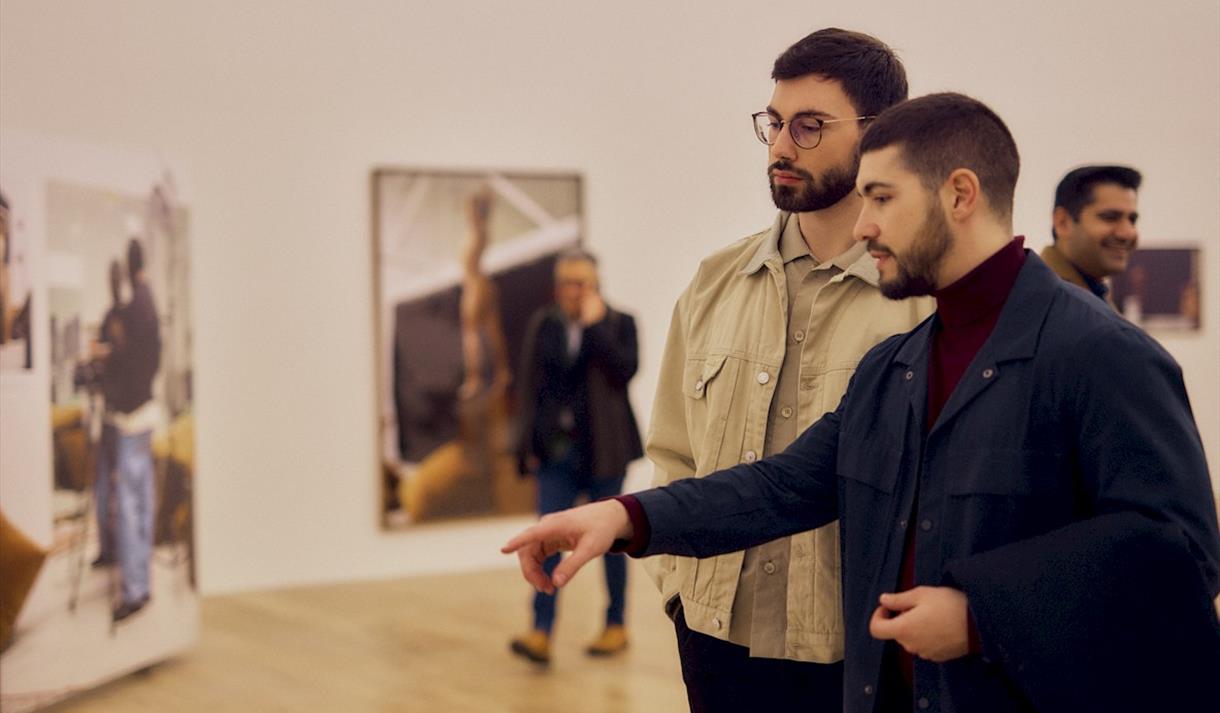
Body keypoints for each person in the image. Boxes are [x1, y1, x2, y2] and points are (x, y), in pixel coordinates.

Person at [503, 93, 1220, 713]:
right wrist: (623, 517)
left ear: (960, 194)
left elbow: (1182, 555)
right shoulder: (896, 367)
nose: (864, 224)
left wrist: (982, 615)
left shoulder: (1103, 353)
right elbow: (784, 485)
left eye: (881, 197)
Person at [642, 28, 932, 712]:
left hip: (855, 647)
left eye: (808, 127)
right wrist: (676, 586)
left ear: (879, 134)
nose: (779, 147)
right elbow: (673, 448)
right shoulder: (715, 281)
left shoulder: (922, 302)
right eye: (773, 123)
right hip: (714, 636)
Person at [508, 248, 643, 665]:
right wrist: (524, 447)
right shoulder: (543, 324)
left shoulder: (620, 323)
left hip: (606, 450)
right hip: (557, 453)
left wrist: (596, 326)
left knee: (613, 541)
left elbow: (625, 371)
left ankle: (615, 624)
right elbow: (529, 386)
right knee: (545, 538)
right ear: (558, 285)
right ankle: (540, 632)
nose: (578, 291)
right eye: (571, 283)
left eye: (586, 283)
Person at [107, 237, 162, 622]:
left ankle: (135, 589)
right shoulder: (147, 305)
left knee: (129, 506)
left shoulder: (130, 313)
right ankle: (142, 582)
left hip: (130, 419)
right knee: (140, 501)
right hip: (144, 415)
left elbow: (128, 361)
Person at [1041, 164, 1141, 304]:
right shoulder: (1044, 299)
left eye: (1132, 220)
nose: (1127, 233)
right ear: (1063, 222)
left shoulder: (1090, 294)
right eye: (1110, 217)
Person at [89, 259, 127, 569]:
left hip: (125, 418)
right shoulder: (109, 318)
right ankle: (107, 548)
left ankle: (121, 550)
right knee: (102, 488)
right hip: (108, 414)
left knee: (122, 490)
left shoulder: (130, 318)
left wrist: (110, 354)